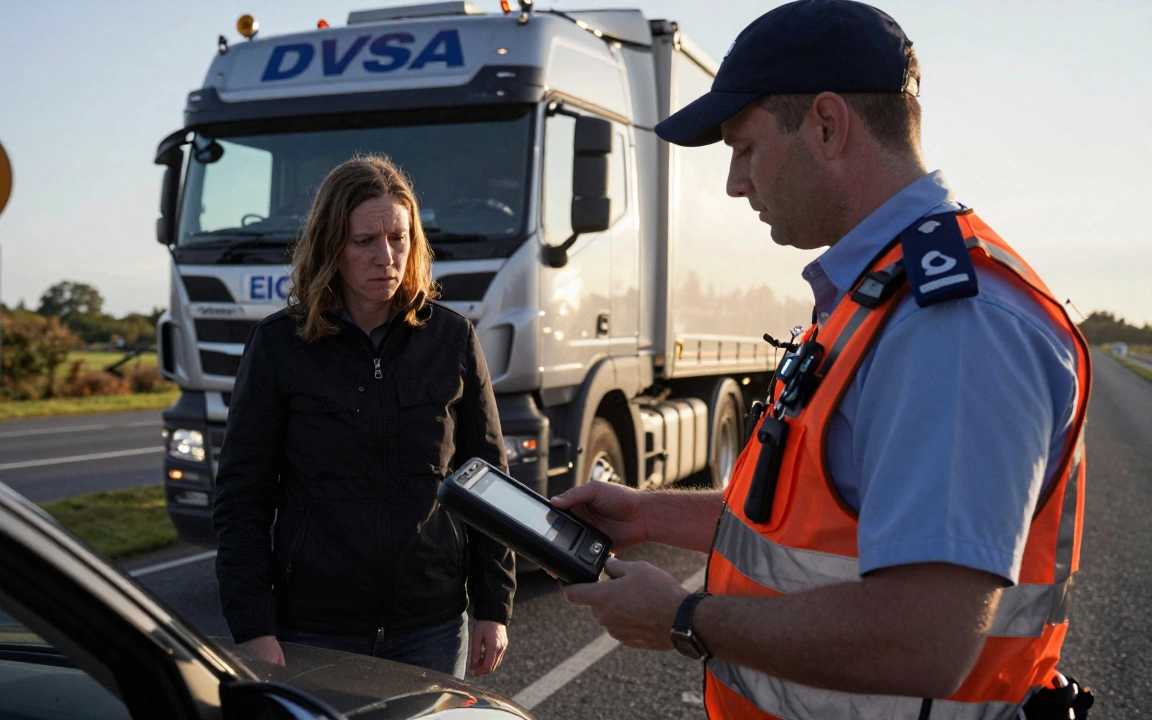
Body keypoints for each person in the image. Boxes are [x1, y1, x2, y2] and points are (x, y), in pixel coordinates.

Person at [553, 1, 1093, 718]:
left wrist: (685, 619)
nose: (735, 183)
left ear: (828, 126)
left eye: (744, 149)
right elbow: (813, 528)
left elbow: (923, 639)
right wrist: (648, 515)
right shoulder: (879, 296)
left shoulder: (953, 325)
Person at [213, 153, 515, 679]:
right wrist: (253, 625)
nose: (386, 257)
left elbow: (488, 482)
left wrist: (493, 606)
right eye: (365, 242)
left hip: (433, 626)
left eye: (399, 238)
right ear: (331, 245)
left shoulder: (452, 339)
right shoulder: (280, 346)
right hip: (313, 629)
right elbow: (242, 496)